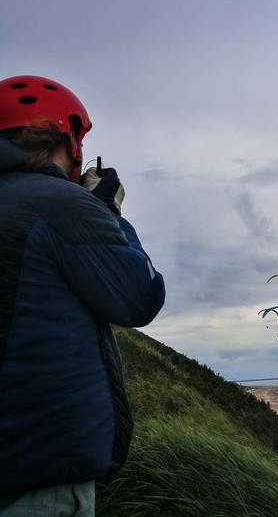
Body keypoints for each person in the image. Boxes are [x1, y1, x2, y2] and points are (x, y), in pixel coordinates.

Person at [0, 75, 166, 516]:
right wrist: (108, 212)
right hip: (36, 479)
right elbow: (140, 297)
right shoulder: (58, 203)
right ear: (70, 140)